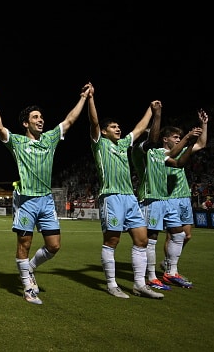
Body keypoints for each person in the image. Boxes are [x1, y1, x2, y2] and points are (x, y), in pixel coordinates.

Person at [0, 83, 92, 305]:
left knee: (54, 245)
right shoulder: (18, 142)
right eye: (35, 117)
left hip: (46, 200)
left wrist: (83, 97)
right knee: (24, 243)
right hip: (25, 200)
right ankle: (27, 287)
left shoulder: (50, 139)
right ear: (26, 123)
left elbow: (70, 120)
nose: (40, 120)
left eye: (41, 117)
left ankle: (30, 268)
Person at [88, 87, 165, 299]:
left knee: (142, 240)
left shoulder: (123, 144)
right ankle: (112, 284)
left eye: (118, 126)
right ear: (104, 131)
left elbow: (140, 128)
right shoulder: (99, 143)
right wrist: (91, 99)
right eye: (113, 127)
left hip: (130, 197)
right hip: (111, 196)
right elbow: (94, 122)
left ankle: (140, 284)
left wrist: (151, 109)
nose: (118, 129)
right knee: (112, 241)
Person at [131, 109, 202, 292]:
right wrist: (158, 115)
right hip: (150, 198)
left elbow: (178, 162)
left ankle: (171, 271)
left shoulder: (160, 154)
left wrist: (188, 142)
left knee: (179, 234)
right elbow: (155, 140)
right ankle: (152, 277)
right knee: (152, 238)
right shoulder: (141, 151)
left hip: (165, 200)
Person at [160, 110, 208, 286]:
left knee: (186, 236)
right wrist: (188, 138)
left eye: (179, 137)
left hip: (184, 198)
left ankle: (168, 262)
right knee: (173, 235)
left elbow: (201, 144)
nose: (178, 139)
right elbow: (172, 158)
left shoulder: (180, 152)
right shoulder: (159, 154)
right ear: (166, 139)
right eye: (175, 137)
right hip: (169, 198)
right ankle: (171, 270)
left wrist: (204, 124)